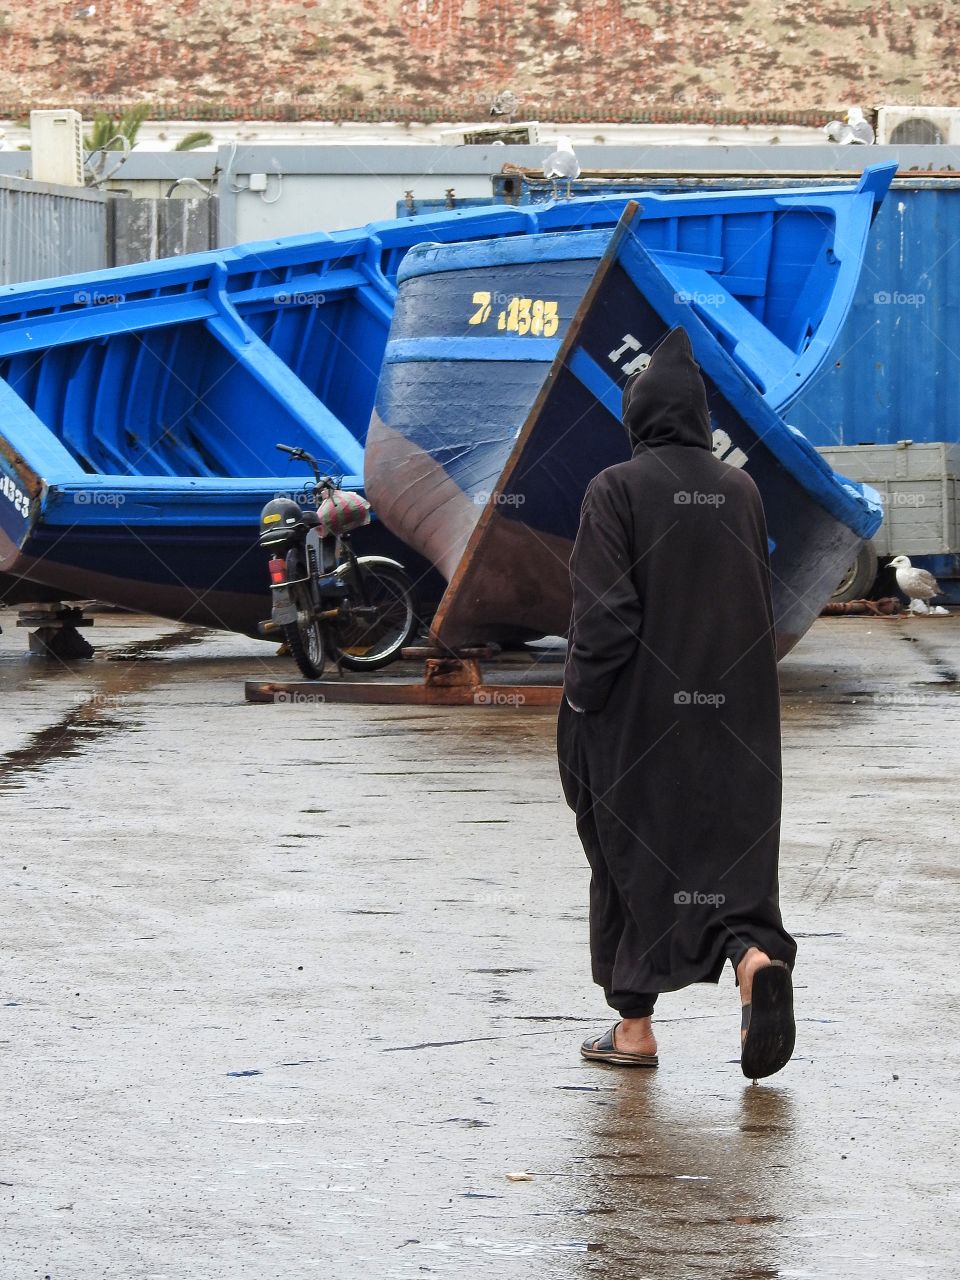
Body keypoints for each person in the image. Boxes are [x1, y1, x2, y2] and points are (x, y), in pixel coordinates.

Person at [556, 326, 797, 1079]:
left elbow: (605, 620)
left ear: (638, 418)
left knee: (634, 856)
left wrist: (581, 706)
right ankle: (753, 958)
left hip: (640, 719)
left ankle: (633, 1031)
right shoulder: (743, 489)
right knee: (725, 853)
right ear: (697, 417)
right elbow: (761, 603)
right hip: (741, 716)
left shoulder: (616, 490)